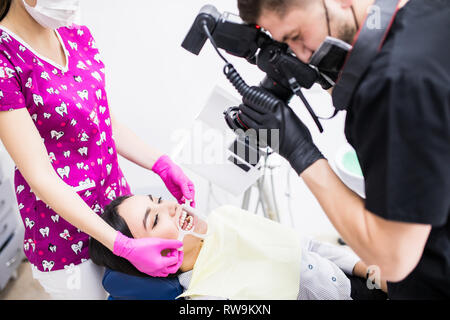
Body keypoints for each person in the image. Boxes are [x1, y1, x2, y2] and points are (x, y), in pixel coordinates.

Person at [235, 0, 449, 299]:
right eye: (287, 43)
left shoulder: (392, 85)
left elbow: (393, 258)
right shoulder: (429, 13)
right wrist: (330, 75)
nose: (302, 54)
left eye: (297, 35)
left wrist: (300, 151)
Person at [0, 0, 194, 299]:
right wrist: (120, 246)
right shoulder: (4, 58)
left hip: (118, 215)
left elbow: (102, 121)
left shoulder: (76, 34)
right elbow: (39, 175)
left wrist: (161, 163)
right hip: (63, 238)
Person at [89, 194, 388, 300]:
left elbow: (309, 246)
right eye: (154, 219)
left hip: (357, 282)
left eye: (157, 199)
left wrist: (373, 273)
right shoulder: (207, 296)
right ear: (149, 259)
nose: (170, 206)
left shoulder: (227, 219)